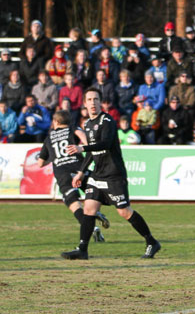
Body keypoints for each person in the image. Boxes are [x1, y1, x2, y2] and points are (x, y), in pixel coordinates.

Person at [60, 87, 161, 260]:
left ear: (101, 102)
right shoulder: (87, 124)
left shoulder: (107, 120)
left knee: (124, 211)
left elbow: (105, 144)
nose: (93, 103)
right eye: (89, 100)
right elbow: (91, 153)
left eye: (96, 99)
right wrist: (81, 173)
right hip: (97, 175)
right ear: (84, 104)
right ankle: (82, 249)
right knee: (89, 209)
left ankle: (151, 242)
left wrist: (81, 147)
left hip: (114, 174)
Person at [38, 110, 109, 242]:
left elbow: (40, 163)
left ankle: (92, 228)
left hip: (63, 173)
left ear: (56, 122)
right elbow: (85, 139)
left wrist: (53, 157)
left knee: (74, 203)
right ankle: (95, 212)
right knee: (95, 194)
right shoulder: (72, 129)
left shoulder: (49, 138)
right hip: (80, 169)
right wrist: (83, 147)